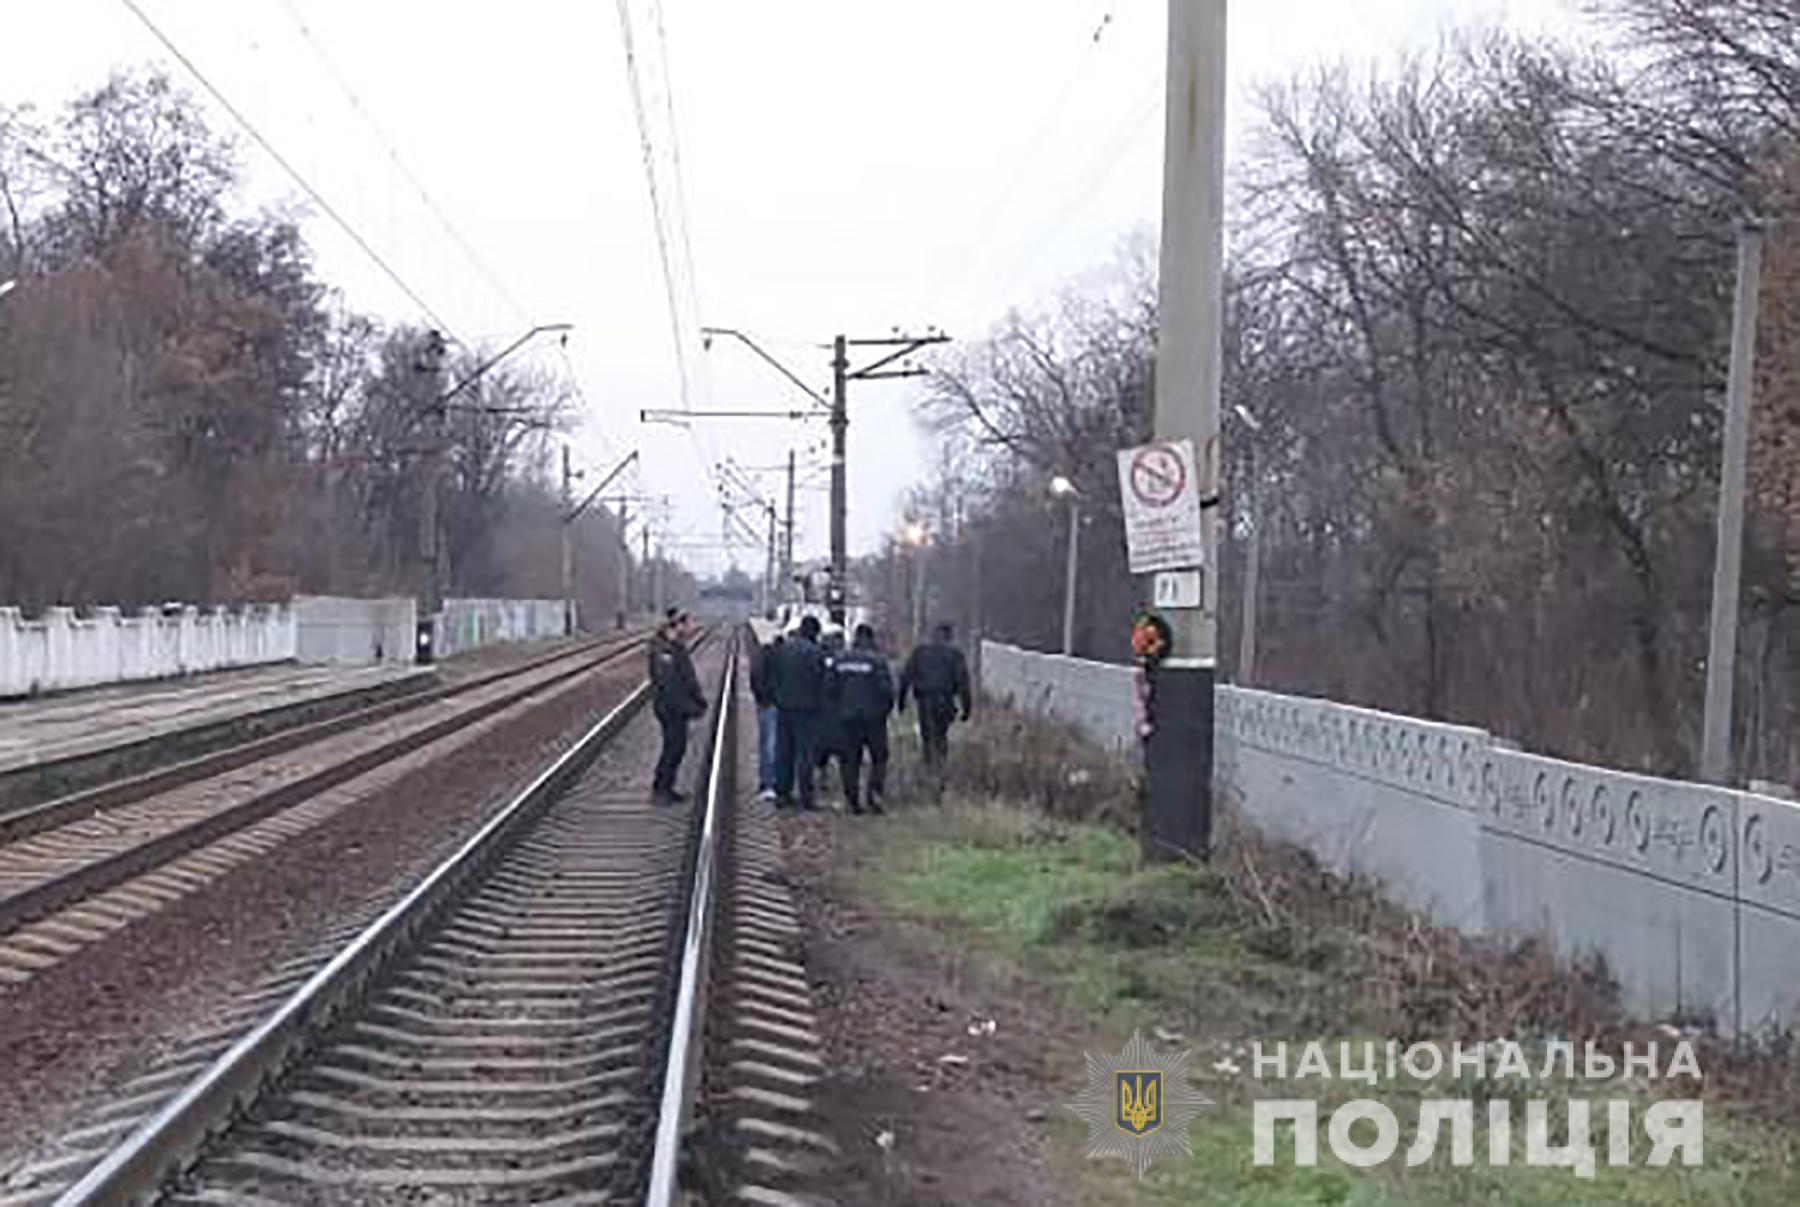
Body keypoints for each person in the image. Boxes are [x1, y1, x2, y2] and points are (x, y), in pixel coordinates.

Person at [829, 623, 894, 814]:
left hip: (847, 719)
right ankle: (874, 796)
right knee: (879, 758)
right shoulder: (878, 661)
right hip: (873, 720)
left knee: (849, 760)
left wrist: (837, 712)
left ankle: (852, 800)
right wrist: (883, 713)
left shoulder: (840, 660)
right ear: (871, 639)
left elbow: (830, 690)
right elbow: (887, 692)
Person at [898, 621, 972, 789]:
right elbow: (963, 683)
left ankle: (928, 772)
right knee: (941, 737)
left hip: (924, 701)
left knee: (927, 738)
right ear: (950, 636)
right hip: (945, 701)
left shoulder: (920, 652)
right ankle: (939, 774)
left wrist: (901, 702)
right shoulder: (955, 655)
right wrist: (966, 708)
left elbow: (906, 676)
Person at [648, 609, 706, 805]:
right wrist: (688, 707)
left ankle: (667, 787)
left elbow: (686, 678)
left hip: (676, 708)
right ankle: (660, 789)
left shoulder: (674, 646)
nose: (691, 628)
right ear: (678, 625)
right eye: (688, 624)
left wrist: (697, 700)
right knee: (672, 748)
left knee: (677, 747)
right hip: (669, 709)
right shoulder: (663, 650)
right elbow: (670, 685)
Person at [772, 614, 829, 811]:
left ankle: (782, 793)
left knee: (783, 751)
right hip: (808, 710)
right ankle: (806, 797)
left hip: (784, 706)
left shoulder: (784, 649)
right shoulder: (817, 653)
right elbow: (823, 682)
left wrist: (777, 697)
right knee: (805, 753)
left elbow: (774, 675)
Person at [749, 627, 783, 803]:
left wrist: (761, 698)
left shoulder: (762, 654)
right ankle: (770, 784)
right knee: (772, 744)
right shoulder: (779, 655)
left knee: (766, 743)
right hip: (773, 704)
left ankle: (767, 783)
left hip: (765, 703)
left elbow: (754, 677)